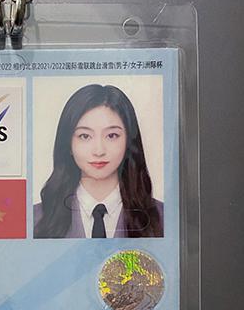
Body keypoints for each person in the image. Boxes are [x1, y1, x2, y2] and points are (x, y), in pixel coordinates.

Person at [33, 84, 164, 239]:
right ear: (68, 144)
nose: (99, 151)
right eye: (85, 136)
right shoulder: (35, 219)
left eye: (112, 136)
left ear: (129, 141)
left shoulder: (164, 218)